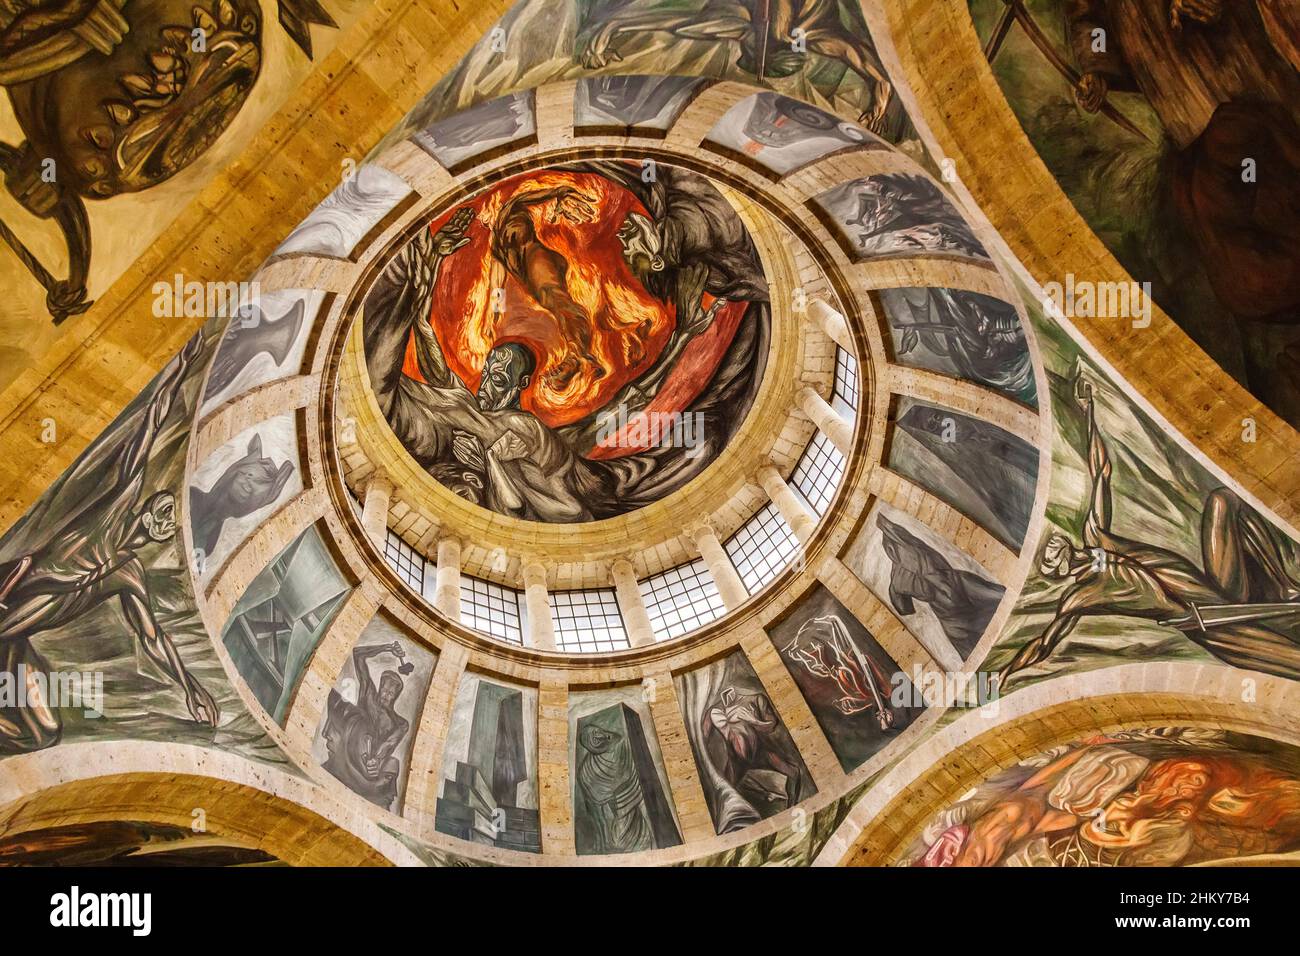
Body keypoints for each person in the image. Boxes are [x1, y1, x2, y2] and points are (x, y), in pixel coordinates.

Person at [998, 374, 1300, 687]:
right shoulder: (1082, 596)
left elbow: (1101, 470)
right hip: (1213, 624)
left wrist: (1088, 412)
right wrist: (999, 678)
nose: (1051, 546)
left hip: (1222, 590)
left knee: (1224, 500)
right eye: (1048, 556)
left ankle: (1284, 585)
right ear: (1056, 571)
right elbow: (1043, 645)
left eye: (1049, 546)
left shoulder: (1097, 536)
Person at [0, 334, 219, 753]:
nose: (167, 516)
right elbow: (149, 426)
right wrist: (180, 368)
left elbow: (153, 638)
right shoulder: (116, 508)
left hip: (13, 640)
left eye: (171, 518)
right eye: (164, 506)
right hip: (9, 601)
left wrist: (190, 688)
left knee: (43, 733)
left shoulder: (129, 573)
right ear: (146, 506)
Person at [320, 642, 412, 810]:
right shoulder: (368, 695)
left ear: (396, 696)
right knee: (358, 718)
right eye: (384, 690)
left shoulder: (399, 723)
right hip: (352, 742)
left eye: (391, 694)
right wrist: (386, 648)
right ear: (380, 687)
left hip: (371, 762)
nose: (386, 695)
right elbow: (358, 654)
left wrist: (376, 760)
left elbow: (390, 743)